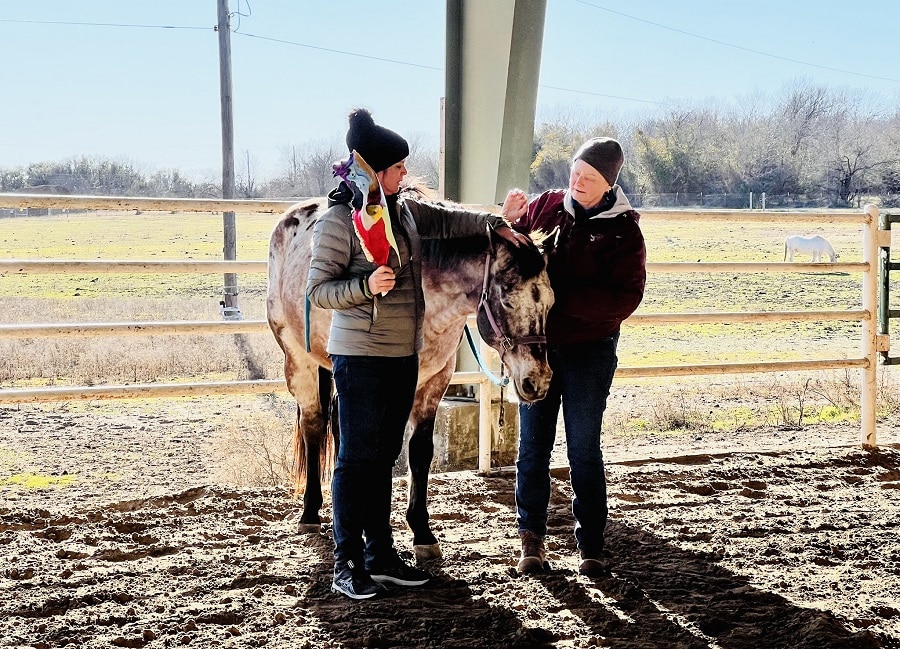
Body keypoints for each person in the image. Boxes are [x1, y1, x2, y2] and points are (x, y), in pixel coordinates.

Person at [307, 108, 530, 600]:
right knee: (355, 459)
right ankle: (346, 563)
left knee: (385, 458)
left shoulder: (404, 211)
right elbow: (318, 291)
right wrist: (365, 285)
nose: (405, 173)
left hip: (403, 355)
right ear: (373, 170)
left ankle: (380, 555)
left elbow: (451, 220)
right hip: (360, 356)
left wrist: (496, 222)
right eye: (397, 167)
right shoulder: (339, 221)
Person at [501, 136, 646, 578]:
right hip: (538, 348)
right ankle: (531, 538)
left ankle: (591, 545)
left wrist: (558, 297)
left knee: (583, 448)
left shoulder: (624, 232)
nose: (578, 182)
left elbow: (626, 298)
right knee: (533, 447)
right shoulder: (547, 206)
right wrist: (506, 219)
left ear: (609, 185)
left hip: (590, 351)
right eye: (575, 173)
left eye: (589, 178)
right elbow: (506, 251)